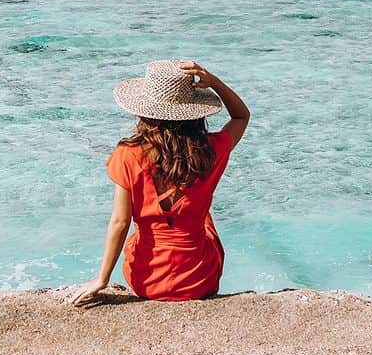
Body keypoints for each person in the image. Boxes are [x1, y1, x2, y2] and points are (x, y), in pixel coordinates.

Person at [69, 59, 250, 305]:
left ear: (145, 110)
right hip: (199, 279)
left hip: (147, 280)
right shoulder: (211, 149)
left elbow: (120, 222)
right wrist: (215, 82)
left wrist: (102, 279)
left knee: (139, 234)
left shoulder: (127, 154)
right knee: (204, 220)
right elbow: (241, 116)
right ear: (195, 110)